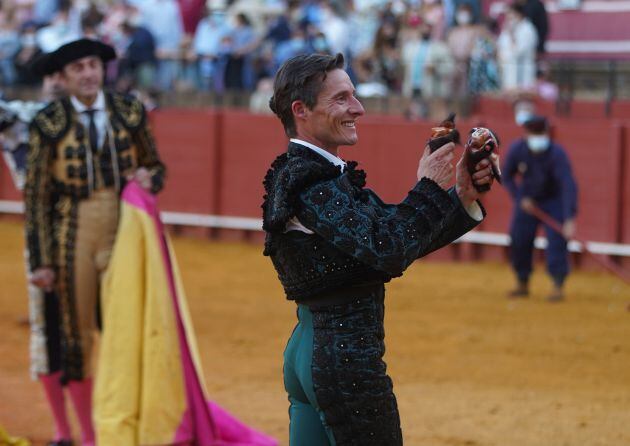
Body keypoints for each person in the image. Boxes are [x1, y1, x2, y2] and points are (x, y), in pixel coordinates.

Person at [262, 53, 495, 445]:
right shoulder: (308, 182)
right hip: (345, 359)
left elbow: (396, 234)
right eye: (341, 99)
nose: (358, 108)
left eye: (353, 95)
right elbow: (389, 249)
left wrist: (461, 196)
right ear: (301, 110)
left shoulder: (317, 175)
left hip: (314, 350)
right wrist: (427, 187)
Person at [24, 38, 166, 446]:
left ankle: (130, 425)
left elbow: (155, 166)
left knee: (129, 329)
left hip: (123, 231)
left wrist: (149, 180)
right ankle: (89, 436)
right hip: (72, 233)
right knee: (75, 334)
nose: (87, 73)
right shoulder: (47, 122)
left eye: (92, 65)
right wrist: (41, 261)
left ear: (102, 69)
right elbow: (36, 198)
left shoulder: (130, 111)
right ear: (64, 78)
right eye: (77, 68)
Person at [0, 54, 69, 446]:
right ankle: (63, 429)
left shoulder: (100, 118)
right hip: (42, 239)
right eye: (51, 74)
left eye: (66, 72)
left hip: (97, 236)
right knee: (47, 334)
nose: (58, 80)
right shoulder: (22, 117)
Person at [503, 116, 578, 302]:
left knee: (557, 241)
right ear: (526, 134)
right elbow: (506, 175)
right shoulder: (518, 149)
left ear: (546, 133)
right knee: (519, 239)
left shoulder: (557, 154)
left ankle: (557, 285)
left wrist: (569, 217)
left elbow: (568, 184)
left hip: (554, 201)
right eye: (533, 133)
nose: (537, 137)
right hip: (527, 200)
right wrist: (519, 198)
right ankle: (522, 282)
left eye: (540, 133)